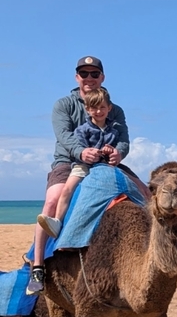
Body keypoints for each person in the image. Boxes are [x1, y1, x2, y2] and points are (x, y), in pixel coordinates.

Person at [26, 56, 150, 295]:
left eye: (95, 74)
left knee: (146, 194)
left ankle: (156, 252)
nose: (90, 78)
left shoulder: (115, 109)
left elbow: (123, 139)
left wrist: (118, 153)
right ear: (77, 77)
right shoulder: (64, 105)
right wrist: (81, 152)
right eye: (85, 74)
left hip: (106, 163)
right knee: (52, 201)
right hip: (69, 161)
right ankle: (38, 266)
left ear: (102, 77)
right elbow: (64, 135)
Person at [36, 88, 119, 238]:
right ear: (87, 109)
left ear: (109, 108)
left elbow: (118, 145)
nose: (99, 111)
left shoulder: (113, 131)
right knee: (67, 189)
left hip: (104, 166)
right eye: (94, 108)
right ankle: (57, 221)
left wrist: (110, 150)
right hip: (83, 165)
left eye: (102, 108)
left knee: (137, 190)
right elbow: (77, 144)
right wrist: (86, 152)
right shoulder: (82, 129)